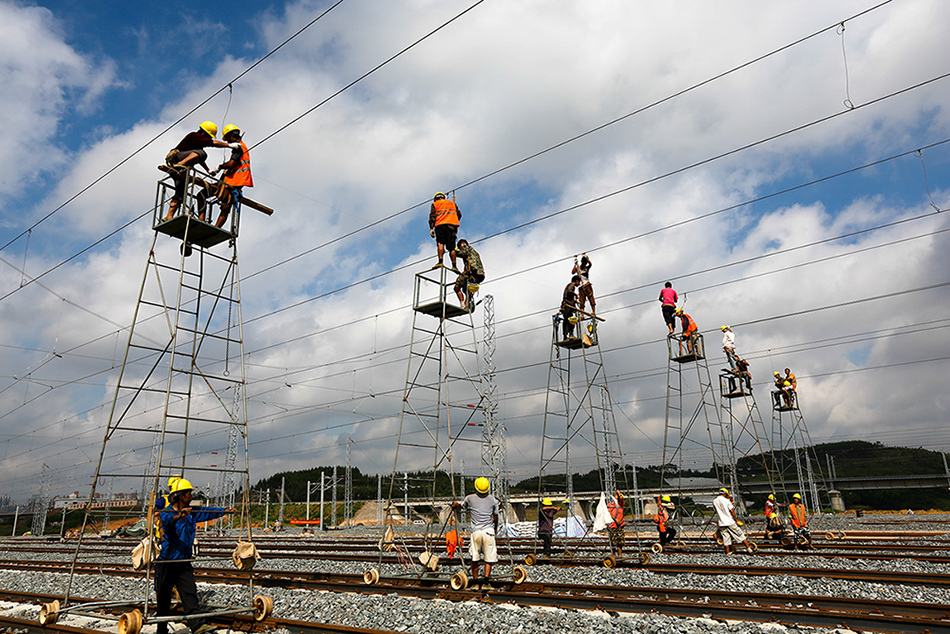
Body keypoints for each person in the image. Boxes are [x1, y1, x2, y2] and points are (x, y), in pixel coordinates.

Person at [156, 479, 228, 634]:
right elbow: (167, 519)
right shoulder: (168, 511)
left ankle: (197, 625)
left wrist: (224, 510)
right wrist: (179, 516)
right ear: (181, 496)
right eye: (189, 493)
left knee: (189, 593)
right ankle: (161, 629)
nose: (191, 496)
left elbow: (207, 512)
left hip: (184, 561)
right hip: (167, 562)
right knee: (163, 598)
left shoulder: (191, 512)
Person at [163, 121, 241, 221]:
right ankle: (181, 164)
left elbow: (199, 157)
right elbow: (210, 145)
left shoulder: (197, 144)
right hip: (176, 159)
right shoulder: (194, 135)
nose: (209, 138)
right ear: (203, 132)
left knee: (180, 193)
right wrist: (229, 145)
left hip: (179, 168)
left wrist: (208, 170)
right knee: (202, 153)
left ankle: (169, 216)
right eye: (208, 136)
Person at [453, 476, 499, 585]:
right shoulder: (493, 499)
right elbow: (496, 516)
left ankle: (475, 581)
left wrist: (455, 504)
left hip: (476, 532)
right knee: (489, 558)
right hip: (488, 531)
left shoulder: (470, 498)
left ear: (476, 487)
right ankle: (486, 581)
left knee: (475, 558)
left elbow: (461, 507)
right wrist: (495, 528)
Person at [209, 124, 254, 228]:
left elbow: (231, 164)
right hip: (235, 180)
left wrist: (220, 166)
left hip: (235, 181)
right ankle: (215, 227)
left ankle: (216, 228)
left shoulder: (239, 148)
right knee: (225, 205)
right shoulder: (242, 146)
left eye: (228, 139)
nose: (228, 142)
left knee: (225, 206)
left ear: (232, 136)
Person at [713, 488, 753, 555]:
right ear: (725, 493)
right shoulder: (726, 500)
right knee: (740, 534)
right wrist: (736, 520)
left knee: (726, 539)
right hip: (729, 522)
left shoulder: (715, 501)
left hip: (722, 523)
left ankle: (728, 553)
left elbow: (717, 510)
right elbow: (731, 511)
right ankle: (749, 549)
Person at [428, 192, 461, 269]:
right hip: (451, 227)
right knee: (452, 248)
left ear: (435, 199)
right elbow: (459, 214)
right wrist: (454, 222)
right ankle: (454, 266)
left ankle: (440, 262)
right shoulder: (452, 204)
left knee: (440, 243)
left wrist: (431, 228)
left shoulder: (435, 204)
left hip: (440, 225)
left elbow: (432, 217)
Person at [454, 239, 485, 310]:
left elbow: (461, 253)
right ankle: (466, 304)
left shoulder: (466, 248)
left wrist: (454, 251)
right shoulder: (475, 252)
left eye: (459, 247)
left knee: (457, 287)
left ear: (463, 244)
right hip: (480, 274)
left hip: (471, 272)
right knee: (467, 290)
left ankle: (463, 304)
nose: (460, 249)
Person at [606, 491, 626, 558]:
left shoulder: (621, 504)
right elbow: (608, 513)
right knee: (613, 542)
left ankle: (620, 555)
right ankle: (613, 555)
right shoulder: (610, 505)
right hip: (612, 525)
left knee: (620, 542)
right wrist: (615, 519)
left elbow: (621, 499)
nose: (617, 496)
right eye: (616, 495)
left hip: (620, 525)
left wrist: (619, 493)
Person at [561, 275, 581, 339]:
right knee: (569, 320)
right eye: (579, 282)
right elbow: (570, 291)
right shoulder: (571, 285)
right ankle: (568, 334)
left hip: (568, 305)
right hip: (567, 305)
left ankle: (567, 334)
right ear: (576, 281)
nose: (579, 283)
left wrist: (575, 301)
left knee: (568, 320)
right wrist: (575, 294)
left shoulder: (569, 285)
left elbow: (569, 296)